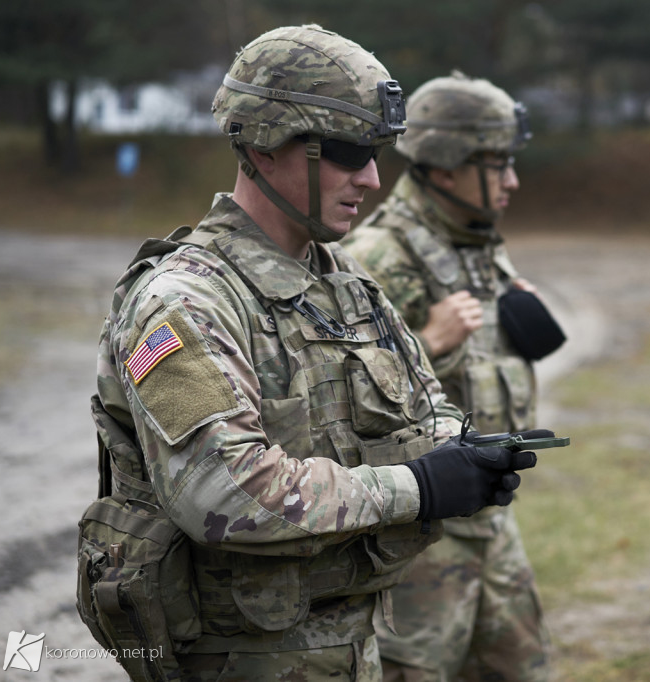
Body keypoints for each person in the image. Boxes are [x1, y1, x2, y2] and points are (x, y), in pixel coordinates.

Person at [89, 27, 542, 682]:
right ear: (265, 145)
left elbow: (427, 406)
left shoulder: (345, 287)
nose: (372, 178)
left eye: (375, 153)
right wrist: (418, 485)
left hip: (352, 646)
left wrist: (465, 454)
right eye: (348, 151)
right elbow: (222, 491)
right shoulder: (186, 301)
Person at [343, 71, 564, 682]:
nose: (513, 181)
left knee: (524, 668)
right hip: (424, 535)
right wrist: (429, 344)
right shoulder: (378, 257)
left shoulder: (476, 241)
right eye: (497, 165)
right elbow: (341, 406)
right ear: (444, 167)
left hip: (493, 520)